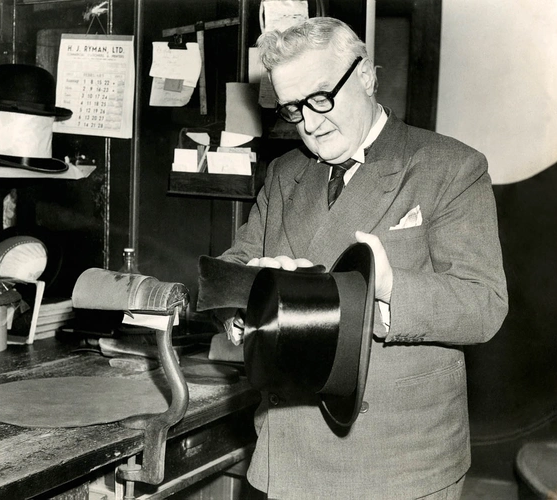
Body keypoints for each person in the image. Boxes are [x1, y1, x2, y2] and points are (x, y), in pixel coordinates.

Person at [212, 17, 508, 500]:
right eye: (292, 108)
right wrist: (250, 298)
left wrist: (390, 287)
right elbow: (235, 265)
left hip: (400, 461)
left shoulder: (449, 167)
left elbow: (484, 304)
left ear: (367, 76)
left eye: (322, 96)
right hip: (292, 448)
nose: (309, 122)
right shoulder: (286, 174)